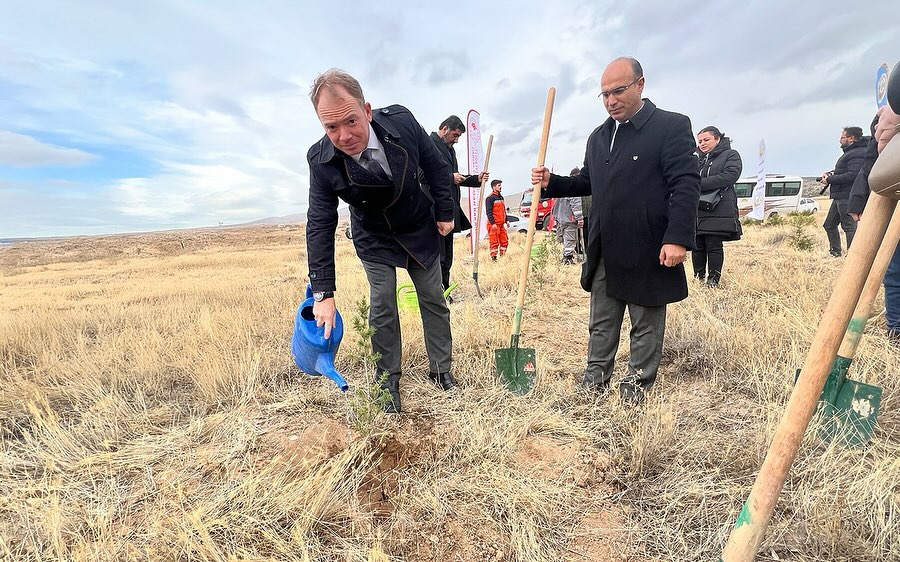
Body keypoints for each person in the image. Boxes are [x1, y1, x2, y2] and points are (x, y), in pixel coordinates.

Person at [531, 57, 700, 404]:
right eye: (605, 94)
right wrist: (552, 182)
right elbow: (589, 182)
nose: (611, 101)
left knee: (645, 322)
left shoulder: (670, 126)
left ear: (640, 85)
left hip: (650, 245)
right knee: (601, 321)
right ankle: (594, 380)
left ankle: (637, 385)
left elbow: (685, 184)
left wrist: (677, 237)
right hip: (605, 245)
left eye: (618, 91)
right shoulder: (599, 136)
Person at [305, 69, 458, 414]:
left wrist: (445, 213)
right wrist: (323, 294)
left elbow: (435, 165)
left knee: (433, 297)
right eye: (331, 127)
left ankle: (441, 369)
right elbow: (319, 223)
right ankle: (386, 377)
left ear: (368, 110)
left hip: (417, 224)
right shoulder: (321, 161)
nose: (343, 136)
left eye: (350, 121)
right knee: (383, 303)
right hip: (373, 235)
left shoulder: (401, 122)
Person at [848, 103, 900, 342]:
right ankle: (896, 329)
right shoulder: (885, 119)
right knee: (894, 270)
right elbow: (872, 164)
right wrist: (858, 201)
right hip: (893, 199)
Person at [426, 116, 489, 293]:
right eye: (455, 135)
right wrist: (449, 177)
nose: (457, 139)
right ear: (445, 129)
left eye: (459, 136)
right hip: (434, 209)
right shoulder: (428, 145)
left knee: (447, 257)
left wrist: (476, 179)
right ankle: (436, 292)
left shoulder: (450, 150)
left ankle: (445, 290)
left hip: (449, 208)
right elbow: (421, 175)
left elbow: (456, 178)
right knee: (438, 256)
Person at [694, 126, 743, 287]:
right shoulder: (697, 159)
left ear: (718, 139)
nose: (702, 143)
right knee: (697, 244)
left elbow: (730, 176)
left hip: (719, 207)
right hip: (697, 208)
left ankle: (713, 281)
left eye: (706, 139)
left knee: (713, 244)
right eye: (700, 141)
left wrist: (697, 184)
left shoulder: (731, 155)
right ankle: (697, 278)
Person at [820, 126, 868, 256]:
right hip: (840, 195)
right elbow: (846, 171)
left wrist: (830, 180)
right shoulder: (851, 153)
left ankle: (853, 256)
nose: (839, 140)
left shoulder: (858, 153)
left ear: (851, 138)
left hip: (848, 195)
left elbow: (853, 175)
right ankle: (835, 252)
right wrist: (831, 174)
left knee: (849, 227)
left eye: (842, 137)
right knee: (829, 224)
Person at [551, 168, 585, 265]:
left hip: (560, 219)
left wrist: (556, 218)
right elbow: (576, 204)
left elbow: (555, 206)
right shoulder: (575, 188)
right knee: (570, 239)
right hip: (569, 219)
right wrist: (580, 218)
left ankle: (566, 256)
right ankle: (568, 259)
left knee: (563, 239)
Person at [485, 179, 508, 260]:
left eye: (500, 185)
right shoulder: (490, 198)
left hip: (501, 224)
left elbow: (504, 210)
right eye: (499, 185)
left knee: (504, 241)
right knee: (494, 242)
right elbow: (489, 212)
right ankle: (494, 259)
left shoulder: (501, 197)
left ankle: (502, 257)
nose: (500, 187)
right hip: (494, 225)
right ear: (494, 187)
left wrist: (506, 220)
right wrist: (493, 223)